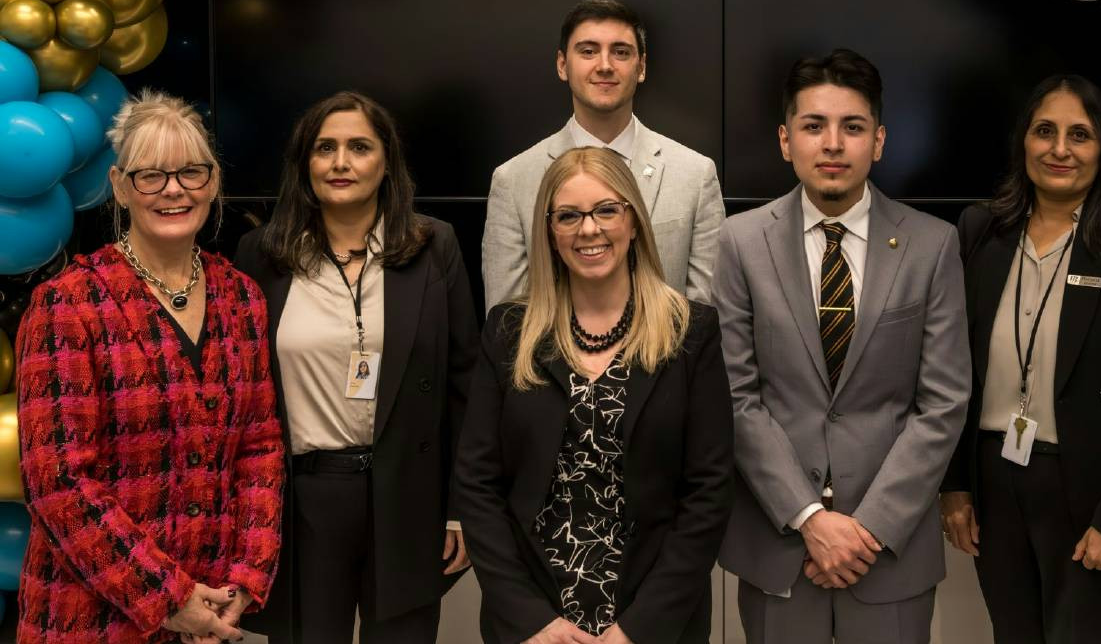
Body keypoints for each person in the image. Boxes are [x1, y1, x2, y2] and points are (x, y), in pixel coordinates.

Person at [713, 49, 971, 644]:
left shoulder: (933, 246)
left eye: (852, 127)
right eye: (813, 126)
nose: (833, 143)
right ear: (785, 140)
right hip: (780, 546)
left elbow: (943, 401)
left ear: (878, 141)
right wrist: (810, 520)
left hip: (888, 553)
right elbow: (736, 396)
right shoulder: (740, 243)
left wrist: (867, 529)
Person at [16, 90, 283, 644]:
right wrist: (166, 596)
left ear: (213, 183)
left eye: (191, 172)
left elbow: (259, 448)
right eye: (151, 176)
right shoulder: (69, 304)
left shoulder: (243, 298)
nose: (174, 190)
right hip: (90, 617)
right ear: (118, 185)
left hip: (210, 613)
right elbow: (59, 483)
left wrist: (242, 582)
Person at [455, 146, 733, 644]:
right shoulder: (508, 332)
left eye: (607, 209)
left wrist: (639, 629)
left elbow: (708, 493)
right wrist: (530, 620)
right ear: (549, 231)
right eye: (568, 215)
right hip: (534, 621)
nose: (589, 229)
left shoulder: (691, 333)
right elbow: (477, 486)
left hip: (654, 620)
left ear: (633, 220)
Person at [939, 75, 1101, 643]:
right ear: (1024, 141)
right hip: (997, 481)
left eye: (1080, 135)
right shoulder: (982, 230)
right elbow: (949, 369)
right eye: (1045, 131)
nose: (1060, 149)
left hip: (1094, 485)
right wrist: (955, 487)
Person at [234, 91, 478, 644]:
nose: (341, 162)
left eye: (359, 147)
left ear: (386, 161)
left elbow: (466, 383)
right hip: (304, 500)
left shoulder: (433, 244)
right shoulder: (259, 253)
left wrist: (461, 509)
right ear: (304, 164)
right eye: (325, 148)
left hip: (409, 494)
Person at [482, 0, 725, 307]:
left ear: (642, 67)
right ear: (562, 65)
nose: (605, 65)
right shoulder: (513, 180)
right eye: (588, 51)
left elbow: (705, 317)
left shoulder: (695, 175)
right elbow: (506, 323)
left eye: (621, 52)